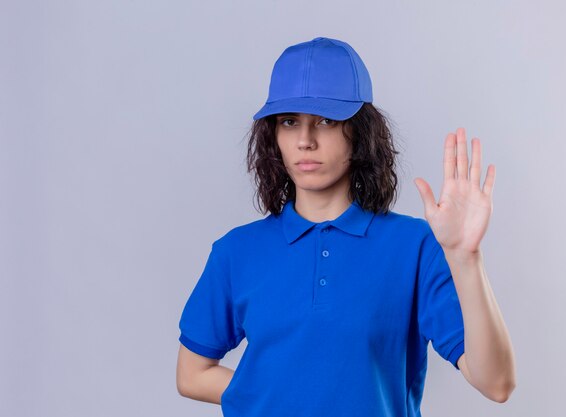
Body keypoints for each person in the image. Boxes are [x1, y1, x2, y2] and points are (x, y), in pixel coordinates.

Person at [176, 36, 516, 416]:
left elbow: (496, 383)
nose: (305, 140)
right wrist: (285, 395)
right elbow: (191, 374)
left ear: (360, 131)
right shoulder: (236, 252)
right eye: (290, 122)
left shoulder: (413, 246)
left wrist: (466, 257)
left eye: (326, 120)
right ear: (274, 136)